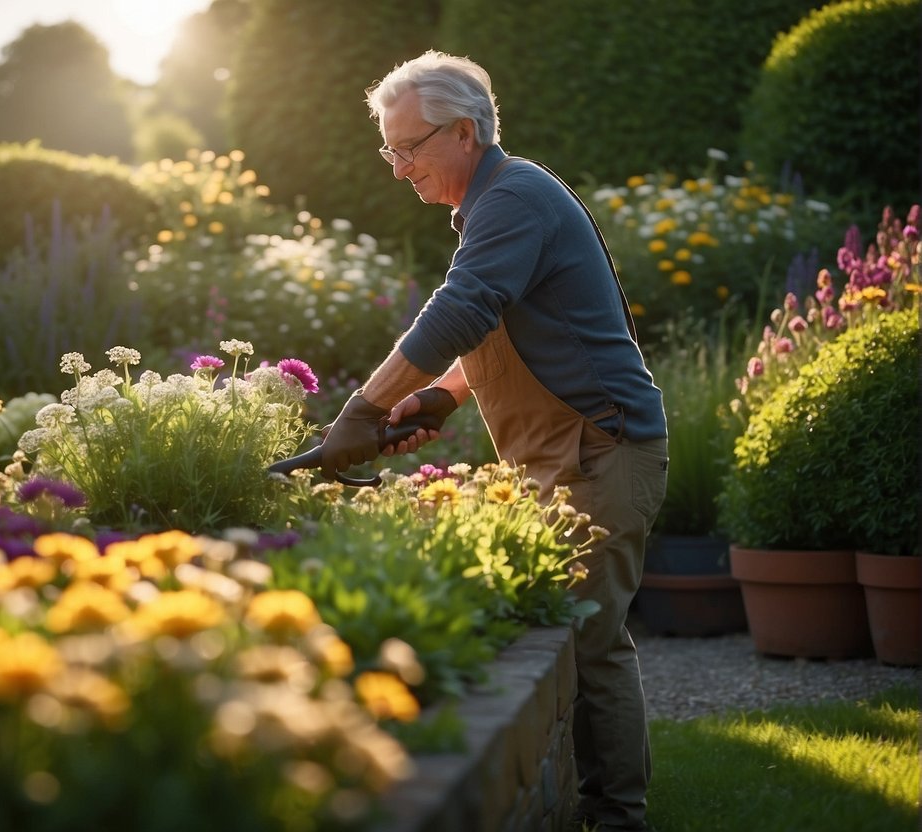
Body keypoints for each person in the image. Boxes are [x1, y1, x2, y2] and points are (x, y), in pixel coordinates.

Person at [318, 51, 669, 832]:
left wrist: (362, 410)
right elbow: (509, 328)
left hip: (600, 450)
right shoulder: (490, 203)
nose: (398, 166)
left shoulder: (511, 199)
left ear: (466, 132)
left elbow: (461, 308)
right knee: (574, 630)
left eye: (409, 147)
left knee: (590, 637)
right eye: (389, 149)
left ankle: (615, 816)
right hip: (566, 452)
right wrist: (438, 399)